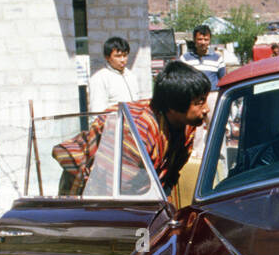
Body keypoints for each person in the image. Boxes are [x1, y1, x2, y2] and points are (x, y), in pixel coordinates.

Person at [57, 61, 211, 197]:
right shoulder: (135, 131)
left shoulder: (186, 125)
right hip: (91, 192)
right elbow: (115, 190)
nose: (207, 109)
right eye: (200, 102)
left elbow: (169, 174)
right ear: (174, 106)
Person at [88, 36, 138, 112]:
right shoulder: (100, 79)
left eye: (125, 55)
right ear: (107, 57)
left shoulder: (131, 76)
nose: (122, 60)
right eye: (118, 56)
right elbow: (97, 112)